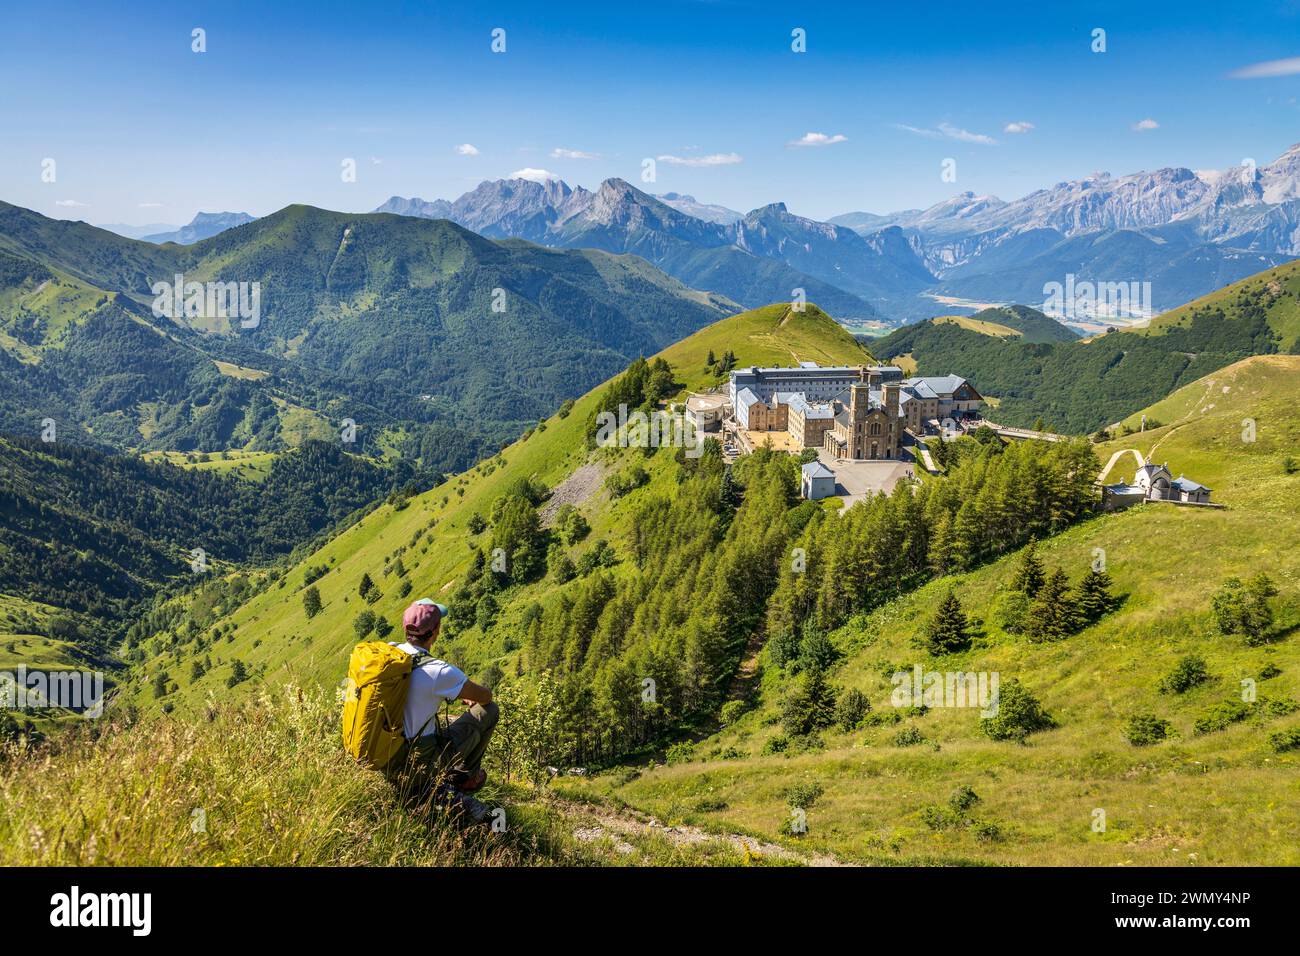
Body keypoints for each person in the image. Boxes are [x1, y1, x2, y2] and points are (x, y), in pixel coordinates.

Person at [394, 599, 498, 799]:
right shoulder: (439, 671)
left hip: (385, 755)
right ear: (435, 632)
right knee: (489, 710)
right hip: (418, 766)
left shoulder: (388, 654)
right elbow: (486, 697)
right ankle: (465, 777)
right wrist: (469, 695)